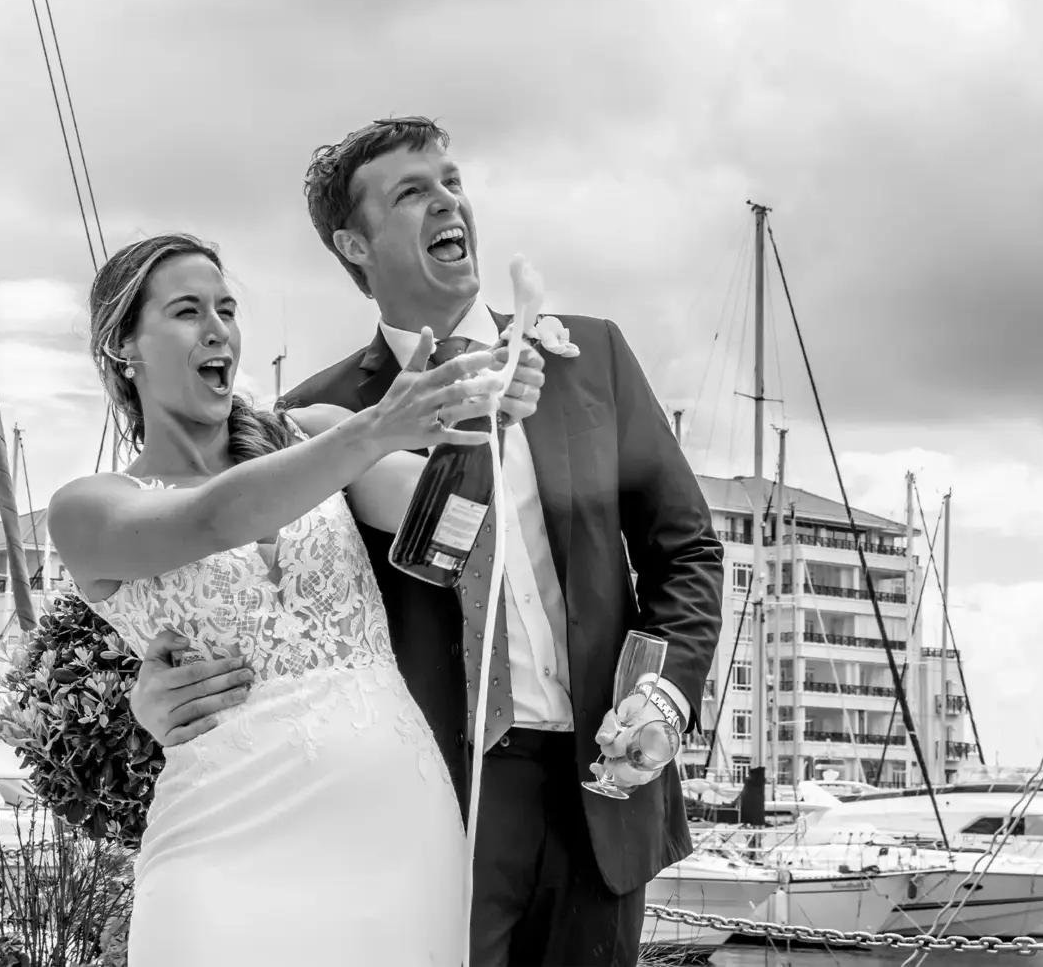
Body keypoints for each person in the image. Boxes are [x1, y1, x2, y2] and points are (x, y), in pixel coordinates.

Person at [133, 117, 725, 966]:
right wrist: (144, 698)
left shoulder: (590, 355)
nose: (448, 202)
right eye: (412, 192)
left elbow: (687, 551)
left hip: (604, 789)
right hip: (429, 806)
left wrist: (663, 698)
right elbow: (225, 570)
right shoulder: (313, 418)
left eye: (452, 182)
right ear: (354, 244)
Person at [47, 231, 546, 966]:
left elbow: (454, 524)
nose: (218, 329)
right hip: (221, 836)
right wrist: (376, 428)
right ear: (123, 348)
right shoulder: (87, 508)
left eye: (226, 308)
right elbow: (215, 518)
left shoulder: (313, 434)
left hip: (397, 824)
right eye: (187, 311)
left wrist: (489, 411)